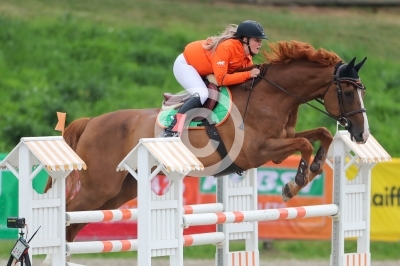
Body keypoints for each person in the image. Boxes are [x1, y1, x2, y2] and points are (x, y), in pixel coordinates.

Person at [160, 20, 268, 137]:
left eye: (260, 40)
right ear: (245, 40)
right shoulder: (227, 47)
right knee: (202, 94)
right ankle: (171, 130)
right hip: (186, 65)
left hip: (205, 70)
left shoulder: (246, 58)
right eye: (257, 40)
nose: (260, 44)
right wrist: (248, 74)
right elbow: (222, 80)